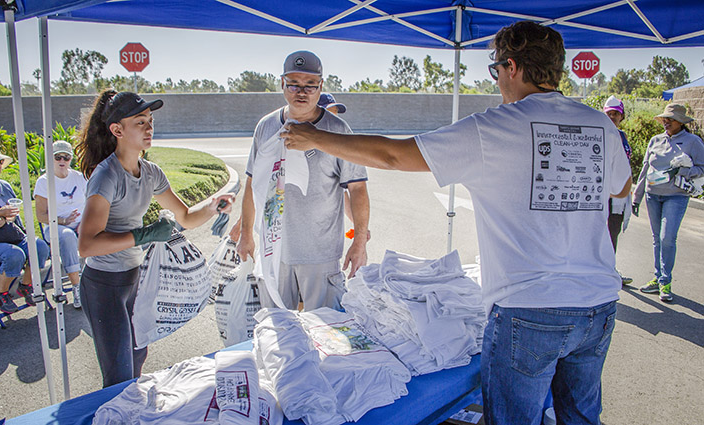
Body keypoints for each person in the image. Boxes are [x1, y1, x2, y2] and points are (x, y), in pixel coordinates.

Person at [281, 21, 631, 424]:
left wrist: (315, 137)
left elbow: (396, 156)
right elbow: (620, 187)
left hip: (529, 308)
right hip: (597, 304)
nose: (498, 80)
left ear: (512, 67)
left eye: (495, 70)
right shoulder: (600, 124)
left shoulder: (496, 127)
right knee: (582, 417)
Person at [76, 90, 234, 388]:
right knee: (119, 375)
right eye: (140, 122)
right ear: (117, 130)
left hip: (137, 280)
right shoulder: (106, 176)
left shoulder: (151, 173)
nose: (149, 128)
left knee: (137, 359)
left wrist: (214, 205)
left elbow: (185, 217)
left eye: (150, 121)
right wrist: (145, 234)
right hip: (103, 284)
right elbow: (87, 245)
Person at [237, 51, 370, 312]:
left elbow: (357, 188)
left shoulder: (338, 130)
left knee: (327, 334)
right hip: (274, 251)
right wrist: (245, 234)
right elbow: (253, 184)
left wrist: (360, 240)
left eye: (310, 85)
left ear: (321, 86)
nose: (302, 91)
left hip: (320, 255)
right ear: (282, 84)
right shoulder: (265, 127)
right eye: (294, 83)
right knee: (278, 332)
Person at [633, 103, 704, 302]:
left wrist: (682, 171)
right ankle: (657, 278)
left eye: (670, 119)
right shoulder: (655, 140)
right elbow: (645, 169)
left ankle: (666, 280)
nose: (666, 122)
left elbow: (702, 167)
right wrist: (636, 197)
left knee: (667, 238)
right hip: (652, 195)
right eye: (664, 118)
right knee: (657, 238)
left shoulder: (692, 142)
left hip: (676, 196)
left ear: (680, 122)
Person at [0, 143, 49, 314]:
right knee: (14, 254)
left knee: (39, 247)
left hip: (8, 235)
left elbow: (13, 217)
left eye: (0, 162)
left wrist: (4, 218)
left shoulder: (4, 187)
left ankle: (25, 286)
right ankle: (0, 294)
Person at [34, 140, 87, 308]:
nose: (62, 161)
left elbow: (92, 204)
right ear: (51, 159)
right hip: (57, 226)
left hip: (81, 223)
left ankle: (99, 284)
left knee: (103, 228)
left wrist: (84, 222)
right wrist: (64, 221)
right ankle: (77, 287)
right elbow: (41, 215)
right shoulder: (44, 182)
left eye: (66, 157)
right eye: (58, 157)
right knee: (67, 236)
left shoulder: (79, 177)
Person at [317, 93, 370, 241]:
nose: (333, 120)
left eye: (335, 114)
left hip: (327, 234)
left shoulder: (339, 146)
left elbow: (345, 191)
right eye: (328, 114)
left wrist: (359, 227)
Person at [603, 96, 633, 285]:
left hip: (619, 195)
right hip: (601, 193)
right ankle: (600, 272)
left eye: (616, 114)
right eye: (609, 113)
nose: (612, 117)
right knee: (598, 233)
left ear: (622, 116)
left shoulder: (621, 136)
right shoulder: (598, 133)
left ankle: (610, 270)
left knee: (613, 231)